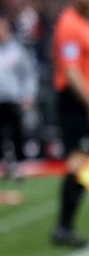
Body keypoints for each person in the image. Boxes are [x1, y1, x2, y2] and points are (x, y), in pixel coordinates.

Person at [51, 0, 89, 248]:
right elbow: (71, 72)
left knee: (86, 159)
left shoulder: (86, 25)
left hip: (81, 99)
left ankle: (65, 226)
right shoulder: (70, 25)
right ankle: (64, 227)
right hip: (74, 100)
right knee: (79, 161)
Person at [0, 14, 37, 179]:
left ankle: (18, 166)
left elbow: (28, 74)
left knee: (16, 134)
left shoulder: (17, 51)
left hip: (13, 99)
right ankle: (4, 166)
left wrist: (28, 94)